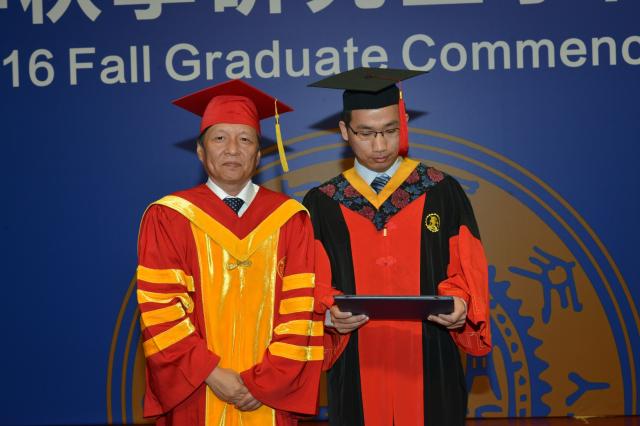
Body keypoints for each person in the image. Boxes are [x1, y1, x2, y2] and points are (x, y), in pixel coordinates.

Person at [304, 68, 492, 426]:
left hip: (431, 357)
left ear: (403, 124)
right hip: (356, 361)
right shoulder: (323, 203)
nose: (379, 145)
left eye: (391, 130)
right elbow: (310, 279)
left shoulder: (441, 191)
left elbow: (467, 268)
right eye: (365, 133)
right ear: (344, 131)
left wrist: (461, 303)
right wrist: (328, 314)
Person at [136, 79, 326, 426]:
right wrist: (210, 373)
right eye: (220, 138)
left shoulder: (291, 219)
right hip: (197, 390)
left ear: (259, 153)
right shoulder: (170, 216)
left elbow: (301, 311)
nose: (233, 150)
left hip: (269, 396)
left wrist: (264, 382)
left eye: (245, 139)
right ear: (201, 151)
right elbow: (160, 310)